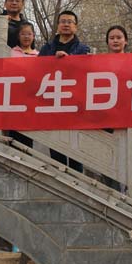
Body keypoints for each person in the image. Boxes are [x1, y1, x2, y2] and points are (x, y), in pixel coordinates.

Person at [39, 11, 90, 172]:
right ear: (58, 25)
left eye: (70, 22)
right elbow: (36, 70)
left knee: (76, 150)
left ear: (76, 27)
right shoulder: (47, 48)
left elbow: (88, 73)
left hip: (74, 103)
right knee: (56, 148)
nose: (66, 24)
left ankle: (78, 180)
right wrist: (53, 61)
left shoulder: (83, 49)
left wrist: (70, 60)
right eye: (63, 21)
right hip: (52, 103)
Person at [7, 22, 39, 148]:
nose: (26, 37)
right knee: (12, 136)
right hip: (13, 100)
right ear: (18, 36)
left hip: (30, 102)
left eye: (29, 34)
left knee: (28, 139)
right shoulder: (10, 53)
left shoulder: (39, 56)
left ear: (34, 36)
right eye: (23, 34)